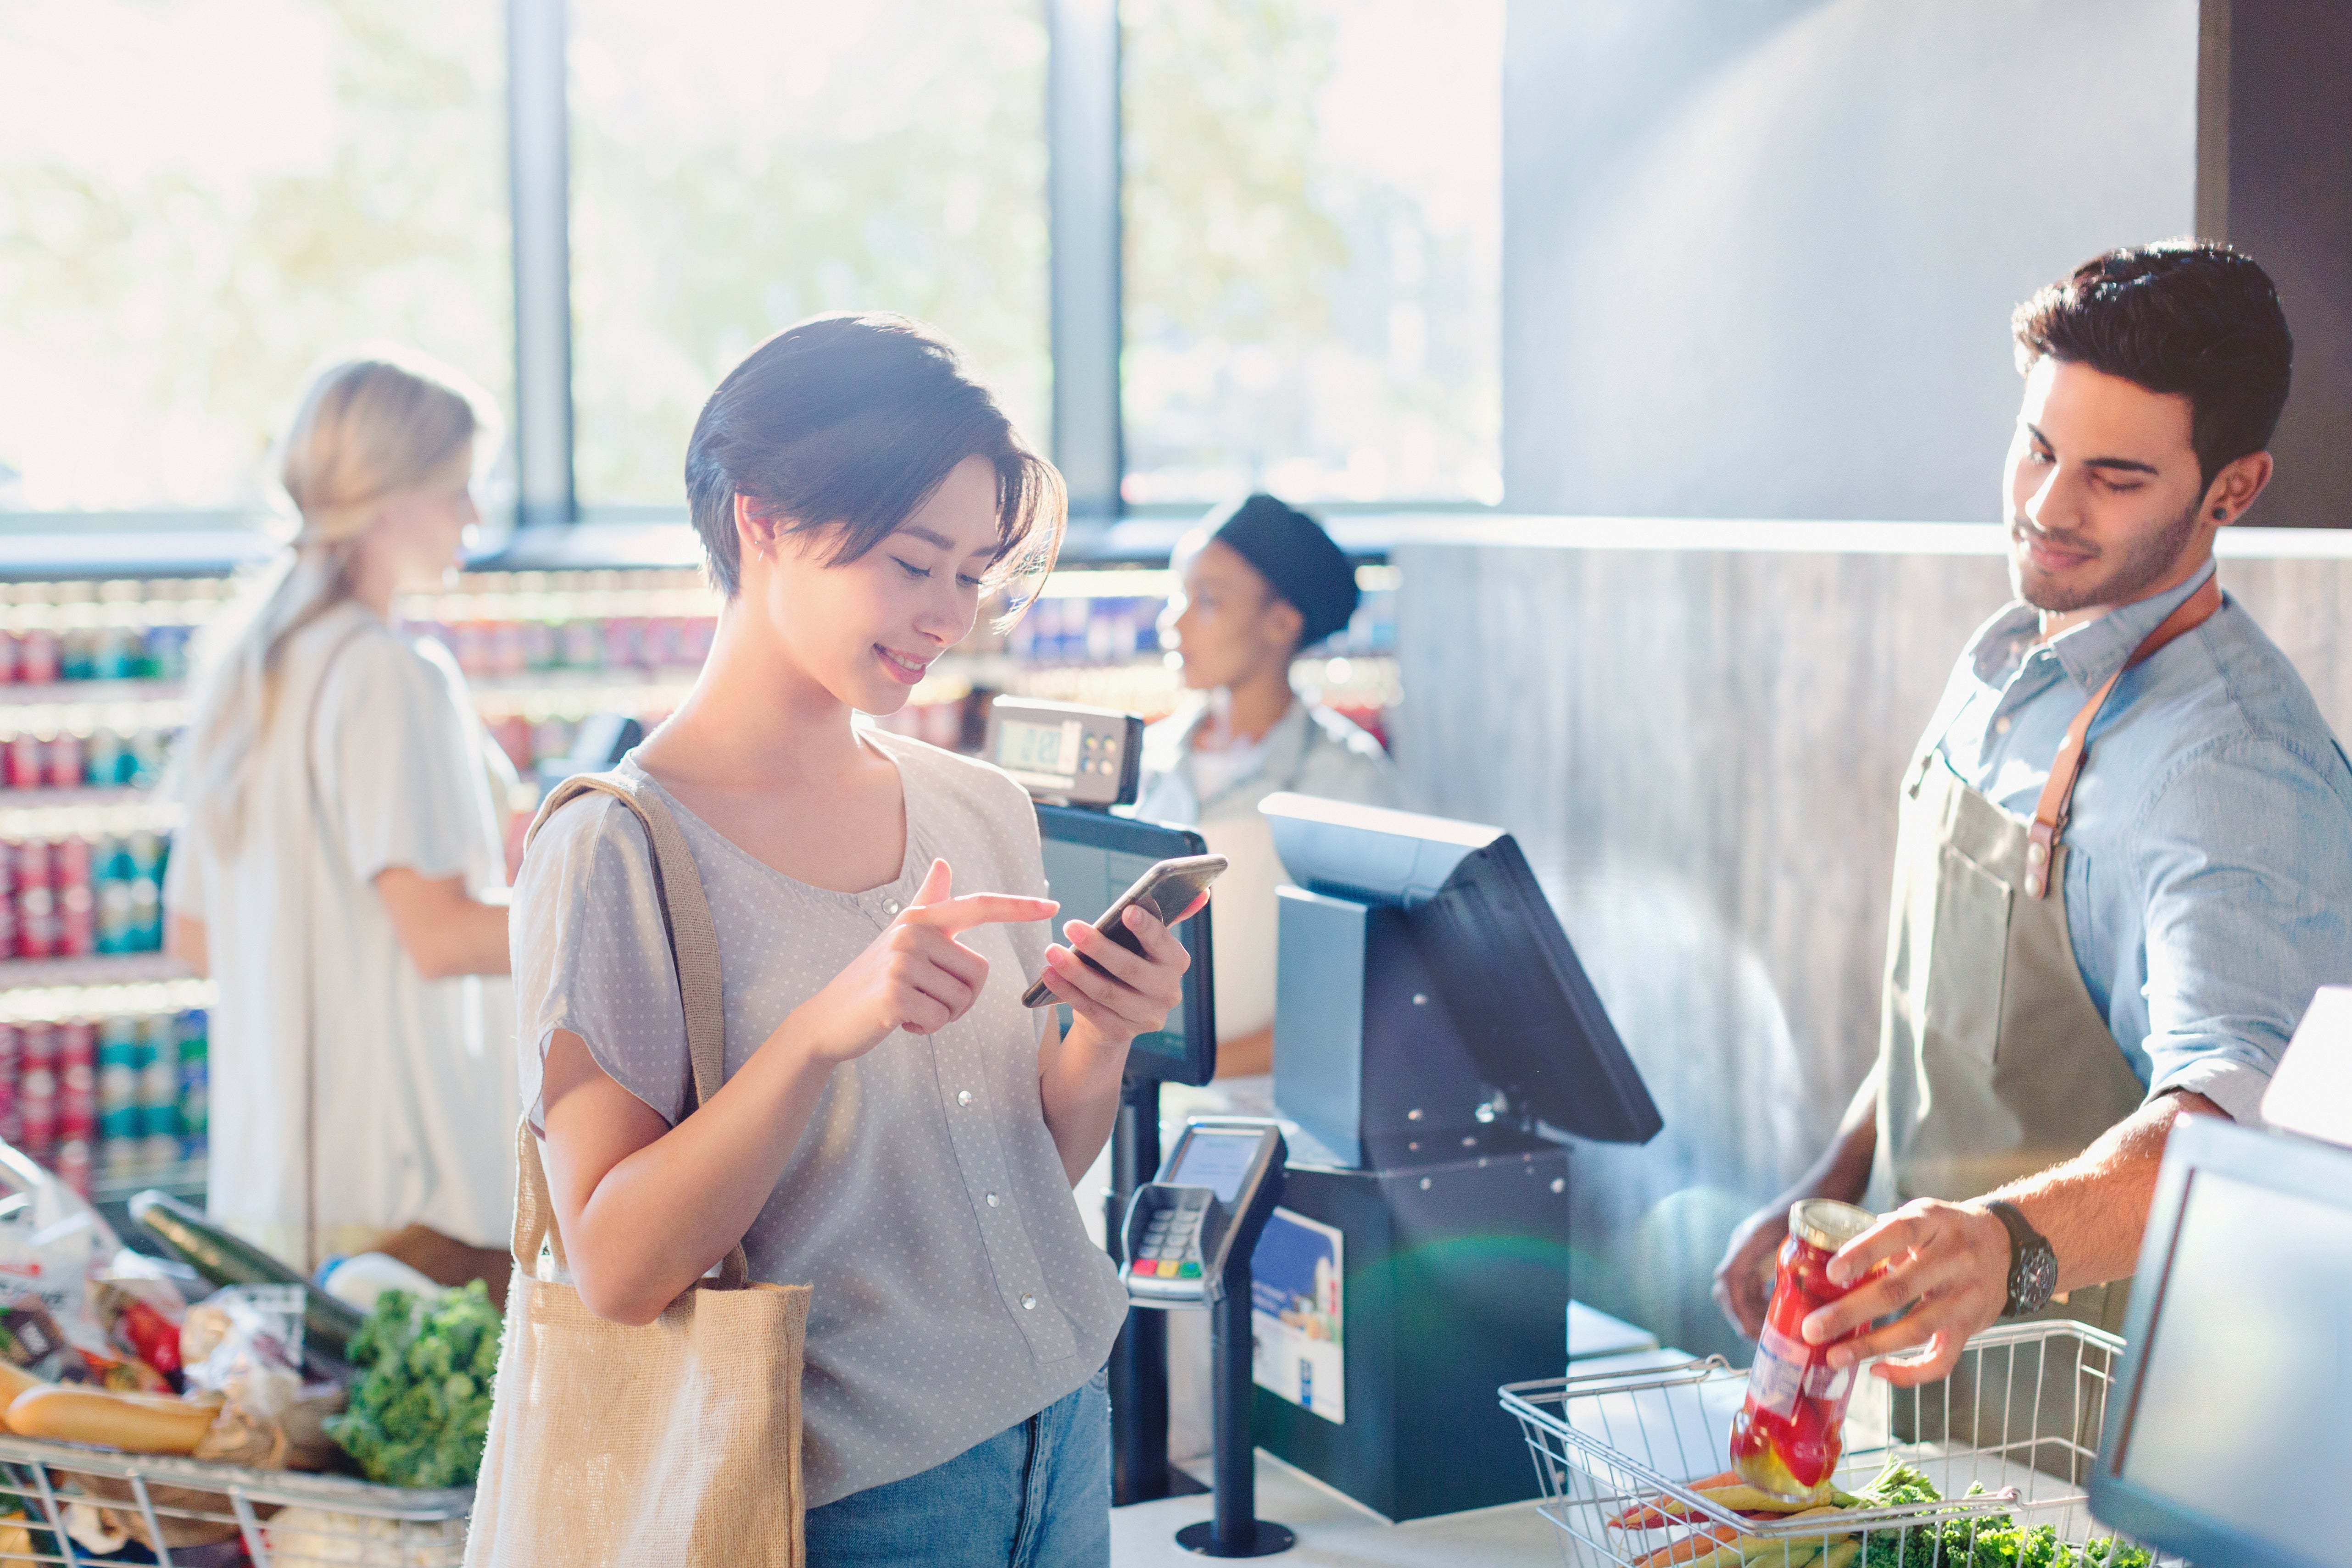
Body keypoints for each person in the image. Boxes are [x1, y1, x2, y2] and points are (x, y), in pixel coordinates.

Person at [513, 314, 1198, 1565]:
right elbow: (614, 1267)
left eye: (973, 571)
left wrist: (1099, 1032)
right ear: (765, 521)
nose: (949, 613)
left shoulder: (976, 806)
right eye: (910, 561)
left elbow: (1022, 1171)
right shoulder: (616, 849)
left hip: (1061, 1420)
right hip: (847, 1494)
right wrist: (821, 1033)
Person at [1712, 241, 2352, 1387]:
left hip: (2080, 1431)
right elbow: (1958, 1015)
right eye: (2037, 448)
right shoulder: (2013, 652)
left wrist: (1999, 1246)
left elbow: (2230, 1128)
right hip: (1918, 1370)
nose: (2047, 509)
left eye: (2115, 477)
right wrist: (1833, 1183)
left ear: (2232, 488)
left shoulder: (2235, 771)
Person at [163, 350, 523, 1269]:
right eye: (459, 487)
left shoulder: (249, 671)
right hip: (404, 1201)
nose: (473, 515)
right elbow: (441, 936)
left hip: (271, 1192)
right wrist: (618, 917)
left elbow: (196, 933)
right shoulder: (388, 673)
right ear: (390, 500)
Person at [1133, 494, 1394, 1076]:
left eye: (1205, 601)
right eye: (1177, 594)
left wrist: (1179, 1068)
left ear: (1281, 622)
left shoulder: (1346, 780)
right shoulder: (1145, 761)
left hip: (1263, 1106)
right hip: (1128, 1104)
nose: (1172, 623)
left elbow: (1354, 996)